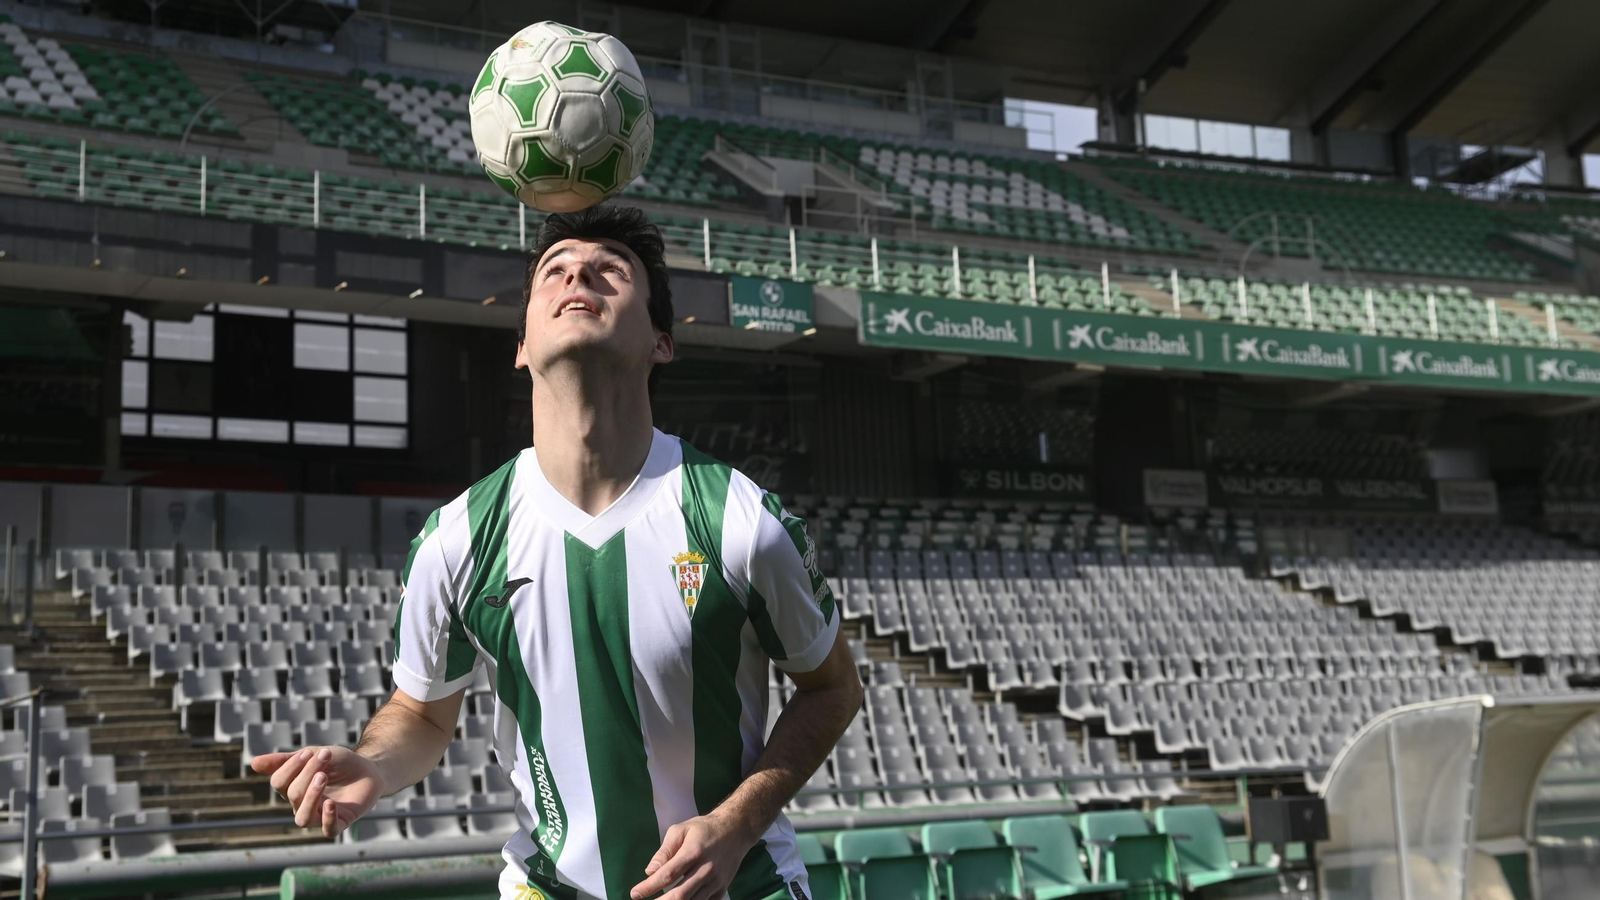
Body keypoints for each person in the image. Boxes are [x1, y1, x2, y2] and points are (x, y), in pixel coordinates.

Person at [250, 204, 864, 900]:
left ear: (662, 342)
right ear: (520, 345)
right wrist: (371, 764)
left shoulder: (740, 521)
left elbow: (834, 688)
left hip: (743, 886)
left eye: (611, 269)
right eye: (556, 268)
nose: (578, 272)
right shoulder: (457, 537)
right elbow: (421, 714)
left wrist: (736, 823)